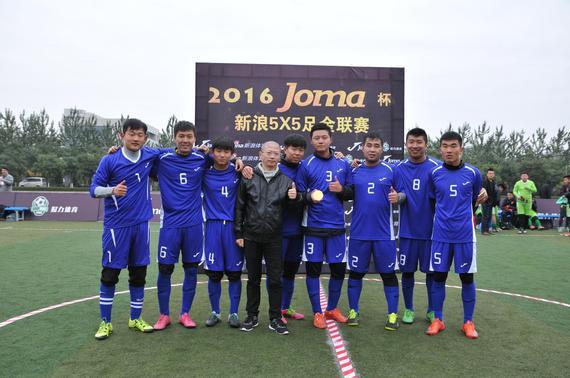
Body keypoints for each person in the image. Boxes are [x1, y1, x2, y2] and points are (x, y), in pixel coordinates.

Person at [89, 119, 159, 340]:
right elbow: (93, 190)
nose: (136, 138)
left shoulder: (149, 156)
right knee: (110, 275)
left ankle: (135, 318)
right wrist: (112, 190)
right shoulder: (109, 160)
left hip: (141, 226)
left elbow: (178, 151)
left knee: (139, 274)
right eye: (132, 134)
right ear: (122, 135)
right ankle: (105, 323)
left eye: (140, 135)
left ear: (145, 138)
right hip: (116, 228)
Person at [235, 141, 300, 335]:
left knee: (275, 280)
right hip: (251, 236)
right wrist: (239, 233)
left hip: (274, 237)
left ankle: (275, 318)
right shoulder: (248, 176)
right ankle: (252, 316)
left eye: (275, 153)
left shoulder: (286, 181)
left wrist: (294, 197)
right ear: (260, 154)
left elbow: (293, 210)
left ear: (280, 156)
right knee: (253, 279)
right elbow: (239, 207)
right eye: (268, 153)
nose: (272, 156)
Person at [152, 121, 210, 330]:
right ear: (174, 138)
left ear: (195, 139)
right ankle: (163, 315)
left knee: (191, 270)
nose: (185, 140)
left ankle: (185, 314)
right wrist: (114, 150)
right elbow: (135, 154)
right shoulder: (162, 158)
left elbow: (226, 159)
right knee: (165, 269)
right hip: (170, 225)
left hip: (194, 224)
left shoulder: (202, 158)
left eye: (189, 137)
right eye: (181, 136)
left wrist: (241, 162)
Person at [338, 131, 400, 330]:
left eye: (376, 146)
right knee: (356, 274)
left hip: (385, 235)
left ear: (382, 149)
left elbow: (405, 193)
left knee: (388, 275)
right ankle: (353, 311)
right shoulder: (353, 171)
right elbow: (342, 188)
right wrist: (339, 157)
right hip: (358, 234)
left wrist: (400, 197)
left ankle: (392, 315)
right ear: (362, 148)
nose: (372, 149)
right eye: (369, 145)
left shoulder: (392, 171)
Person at [425, 131, 483, 339]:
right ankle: (438, 319)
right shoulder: (434, 174)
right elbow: (433, 201)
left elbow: (477, 196)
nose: (449, 150)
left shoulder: (473, 173)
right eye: (445, 146)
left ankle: (468, 322)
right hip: (440, 235)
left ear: (461, 148)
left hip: (465, 235)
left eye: (453, 146)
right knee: (438, 277)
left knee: (467, 278)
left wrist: (483, 195)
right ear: (440, 149)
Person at [296, 123, 351, 329]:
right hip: (314, 227)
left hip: (336, 227)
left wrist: (341, 189)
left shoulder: (342, 163)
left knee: (338, 270)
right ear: (312, 141)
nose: (320, 141)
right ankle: (317, 312)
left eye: (324, 137)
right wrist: (310, 196)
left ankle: (332, 308)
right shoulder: (306, 164)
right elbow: (299, 195)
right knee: (313, 271)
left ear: (331, 139)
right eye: (316, 138)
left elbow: (352, 191)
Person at [391, 127, 440, 325]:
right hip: (408, 232)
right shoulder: (399, 169)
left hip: (431, 233)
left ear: (426, 144)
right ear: (406, 144)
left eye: (419, 142)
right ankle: (409, 309)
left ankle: (431, 309)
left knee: (432, 274)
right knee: (408, 272)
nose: (415, 145)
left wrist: (479, 189)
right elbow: (396, 191)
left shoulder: (437, 168)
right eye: (411, 142)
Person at [202, 137, 243, 328]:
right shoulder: (204, 173)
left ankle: (233, 313)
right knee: (214, 274)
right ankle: (215, 312)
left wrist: (242, 163)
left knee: (234, 274)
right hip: (212, 227)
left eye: (226, 152)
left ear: (232, 154)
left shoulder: (238, 172)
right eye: (218, 151)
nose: (222, 155)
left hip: (233, 228)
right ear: (212, 152)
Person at [278, 134, 308, 322]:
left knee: (290, 272)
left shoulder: (305, 168)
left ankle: (285, 308)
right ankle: (275, 311)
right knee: (276, 274)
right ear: (284, 149)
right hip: (278, 231)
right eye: (293, 149)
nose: (296, 153)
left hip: (298, 230)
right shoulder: (275, 168)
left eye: (300, 150)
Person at [481, 168, 498, 235]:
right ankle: (484, 231)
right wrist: (485, 199)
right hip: (485, 201)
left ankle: (487, 230)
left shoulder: (493, 182)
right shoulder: (484, 182)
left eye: (492, 173)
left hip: (491, 202)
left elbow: (494, 193)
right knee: (485, 216)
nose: (491, 175)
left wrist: (494, 202)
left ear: (494, 175)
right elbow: (483, 192)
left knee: (489, 216)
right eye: (490, 173)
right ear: (487, 174)